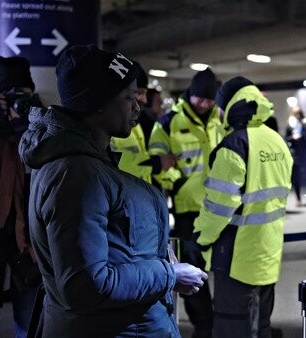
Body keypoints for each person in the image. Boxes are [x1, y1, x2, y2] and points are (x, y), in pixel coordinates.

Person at [18, 44, 208, 337]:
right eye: (128, 97)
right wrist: (169, 274)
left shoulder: (90, 166)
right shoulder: (78, 176)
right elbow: (86, 285)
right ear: (98, 103)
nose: (137, 106)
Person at [193, 76, 292, 338]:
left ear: (230, 106)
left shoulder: (234, 145)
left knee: (233, 325)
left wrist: (201, 237)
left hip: (236, 255)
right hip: (268, 250)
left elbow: (219, 206)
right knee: (261, 325)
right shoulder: (276, 140)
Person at [149, 68, 221, 338]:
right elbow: (158, 157)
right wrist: (177, 181)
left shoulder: (219, 119)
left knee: (221, 267)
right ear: (191, 94)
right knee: (194, 271)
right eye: (201, 98)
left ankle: (222, 319)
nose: (205, 104)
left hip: (218, 207)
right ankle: (204, 325)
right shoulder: (168, 122)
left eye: (210, 100)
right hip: (187, 209)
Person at [0, 55, 43, 337]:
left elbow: (49, 167)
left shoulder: (44, 125)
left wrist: (26, 130)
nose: (17, 101)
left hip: (28, 238)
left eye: (24, 95)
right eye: (9, 95)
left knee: (31, 319)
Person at [110, 62, 176, 183]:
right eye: (139, 93)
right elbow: (115, 164)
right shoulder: (111, 126)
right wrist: (156, 163)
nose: (145, 100)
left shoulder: (133, 123)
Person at [285, 108, 306, 207]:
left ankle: (300, 198)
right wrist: (292, 138)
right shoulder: (290, 126)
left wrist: (301, 138)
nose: (297, 116)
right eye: (296, 114)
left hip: (301, 154)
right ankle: (298, 198)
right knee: (295, 178)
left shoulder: (304, 125)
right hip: (293, 154)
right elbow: (286, 138)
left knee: (302, 177)